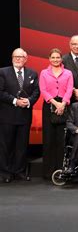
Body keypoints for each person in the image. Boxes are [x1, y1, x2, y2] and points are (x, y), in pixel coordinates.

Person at [0, 48, 40, 183]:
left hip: (24, 116)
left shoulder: (32, 74)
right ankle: (6, 173)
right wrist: (15, 101)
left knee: (22, 146)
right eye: (15, 57)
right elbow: (1, 92)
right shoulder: (3, 72)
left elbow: (36, 92)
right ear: (12, 58)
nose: (18, 59)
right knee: (6, 146)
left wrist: (29, 101)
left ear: (26, 59)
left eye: (21, 57)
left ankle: (20, 172)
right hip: (7, 116)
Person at [39, 48, 74, 180]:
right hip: (49, 106)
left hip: (64, 106)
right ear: (49, 59)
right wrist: (55, 103)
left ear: (61, 59)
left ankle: (61, 170)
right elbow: (43, 90)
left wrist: (63, 103)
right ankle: (48, 171)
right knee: (49, 139)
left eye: (57, 57)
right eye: (53, 57)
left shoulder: (68, 73)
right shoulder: (44, 73)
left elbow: (70, 89)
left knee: (62, 140)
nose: (55, 60)